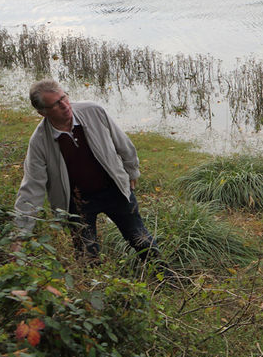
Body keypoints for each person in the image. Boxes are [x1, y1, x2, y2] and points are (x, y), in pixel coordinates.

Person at [13, 79, 164, 267]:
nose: (65, 105)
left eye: (64, 97)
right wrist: (21, 234)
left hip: (114, 190)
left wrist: (132, 171)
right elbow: (32, 187)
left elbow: (122, 143)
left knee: (141, 239)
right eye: (56, 104)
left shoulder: (94, 111)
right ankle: (96, 293)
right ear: (42, 112)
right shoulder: (39, 142)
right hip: (77, 204)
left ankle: (166, 279)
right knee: (87, 257)